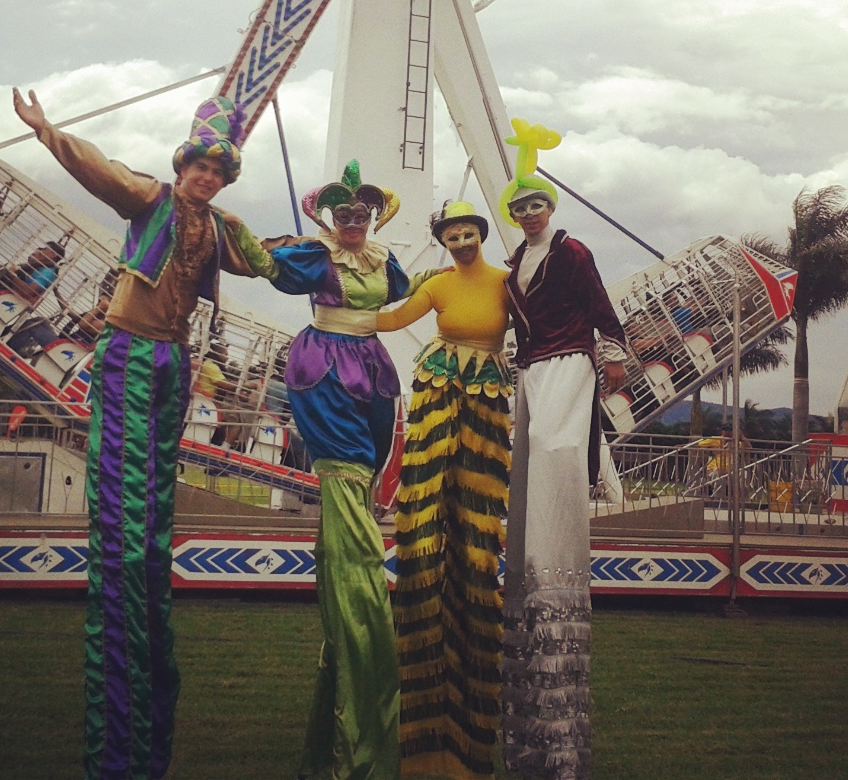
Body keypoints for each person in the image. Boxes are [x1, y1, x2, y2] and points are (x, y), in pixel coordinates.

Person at [11, 85, 270, 780]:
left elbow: (264, 260)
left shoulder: (220, 228)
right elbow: (98, 169)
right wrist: (46, 131)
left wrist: (332, 248)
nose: (206, 177)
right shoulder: (151, 198)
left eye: (217, 172)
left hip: (174, 359)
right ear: (183, 166)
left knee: (153, 514)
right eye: (200, 167)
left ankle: (146, 719)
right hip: (129, 347)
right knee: (125, 524)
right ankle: (119, 724)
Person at [255, 160, 438, 780]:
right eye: (344, 214)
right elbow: (269, 266)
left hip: (373, 367)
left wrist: (457, 276)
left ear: (372, 218)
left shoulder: (383, 261)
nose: (353, 222)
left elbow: (407, 289)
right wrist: (246, 241)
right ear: (330, 218)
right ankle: (361, 632)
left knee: (366, 473)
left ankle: (351, 674)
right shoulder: (318, 257)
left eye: (361, 214)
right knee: (346, 476)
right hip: (327, 366)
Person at [498, 121, 627, 780]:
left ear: (550, 207)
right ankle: (529, 576)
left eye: (536, 204)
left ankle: (556, 570)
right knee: (528, 473)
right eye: (519, 206)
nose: (529, 213)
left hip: (570, 363)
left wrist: (614, 354)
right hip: (529, 371)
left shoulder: (571, 252)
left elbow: (601, 307)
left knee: (555, 455)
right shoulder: (512, 267)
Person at [375, 200, 513, 779]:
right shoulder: (436, 284)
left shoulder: (506, 282)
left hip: (485, 399)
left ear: (481, 234)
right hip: (438, 392)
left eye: (467, 233)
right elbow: (391, 320)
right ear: (445, 241)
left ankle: (471, 699)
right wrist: (339, 303)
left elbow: (544, 323)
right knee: (429, 514)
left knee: (475, 523)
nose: (461, 242)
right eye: (452, 236)